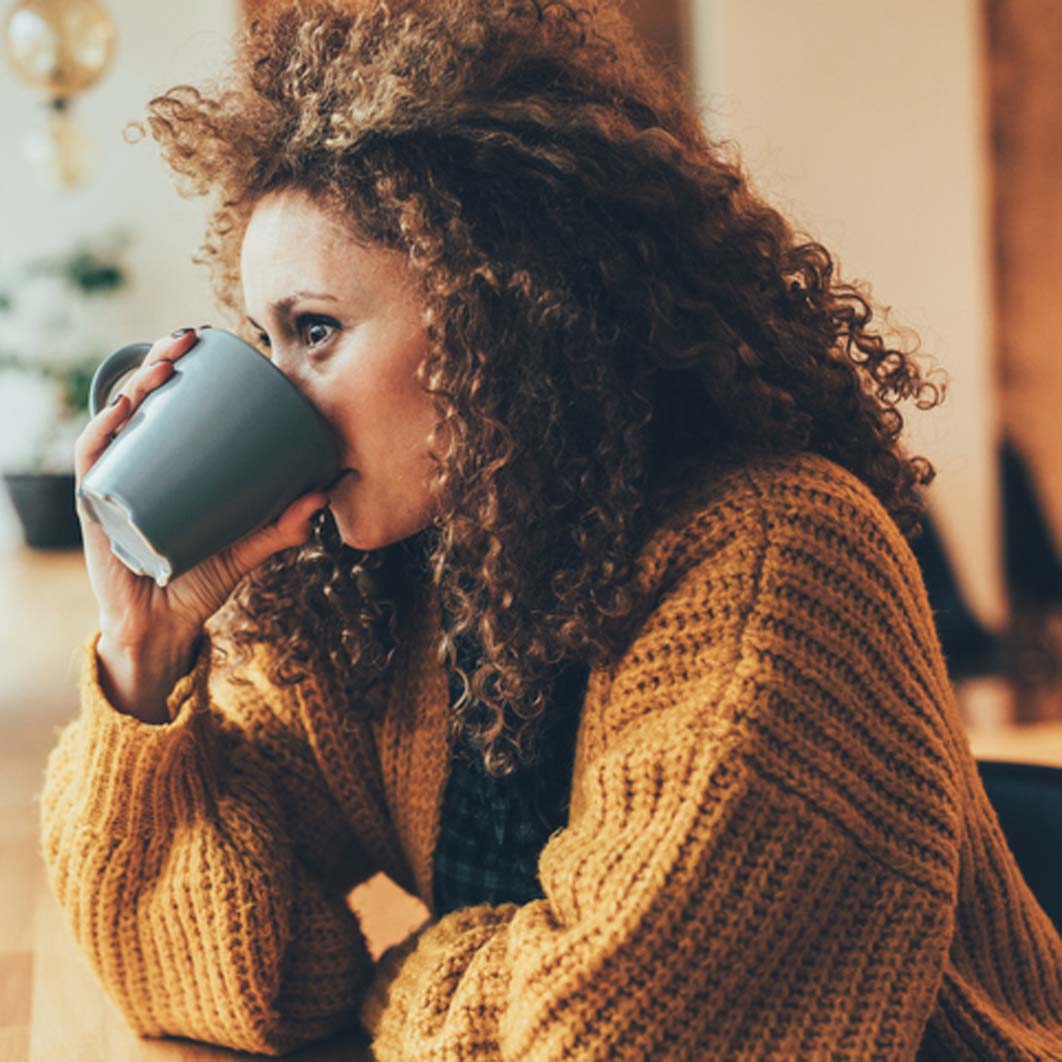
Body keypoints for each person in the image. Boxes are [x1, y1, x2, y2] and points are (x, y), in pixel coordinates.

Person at [38, 0, 1062, 1058]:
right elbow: (231, 976)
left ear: (505, 316)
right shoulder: (403, 585)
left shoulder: (778, 559)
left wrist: (404, 977)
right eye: (264, 337)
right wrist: (141, 655)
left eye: (317, 332)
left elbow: (598, 1036)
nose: (278, 393)